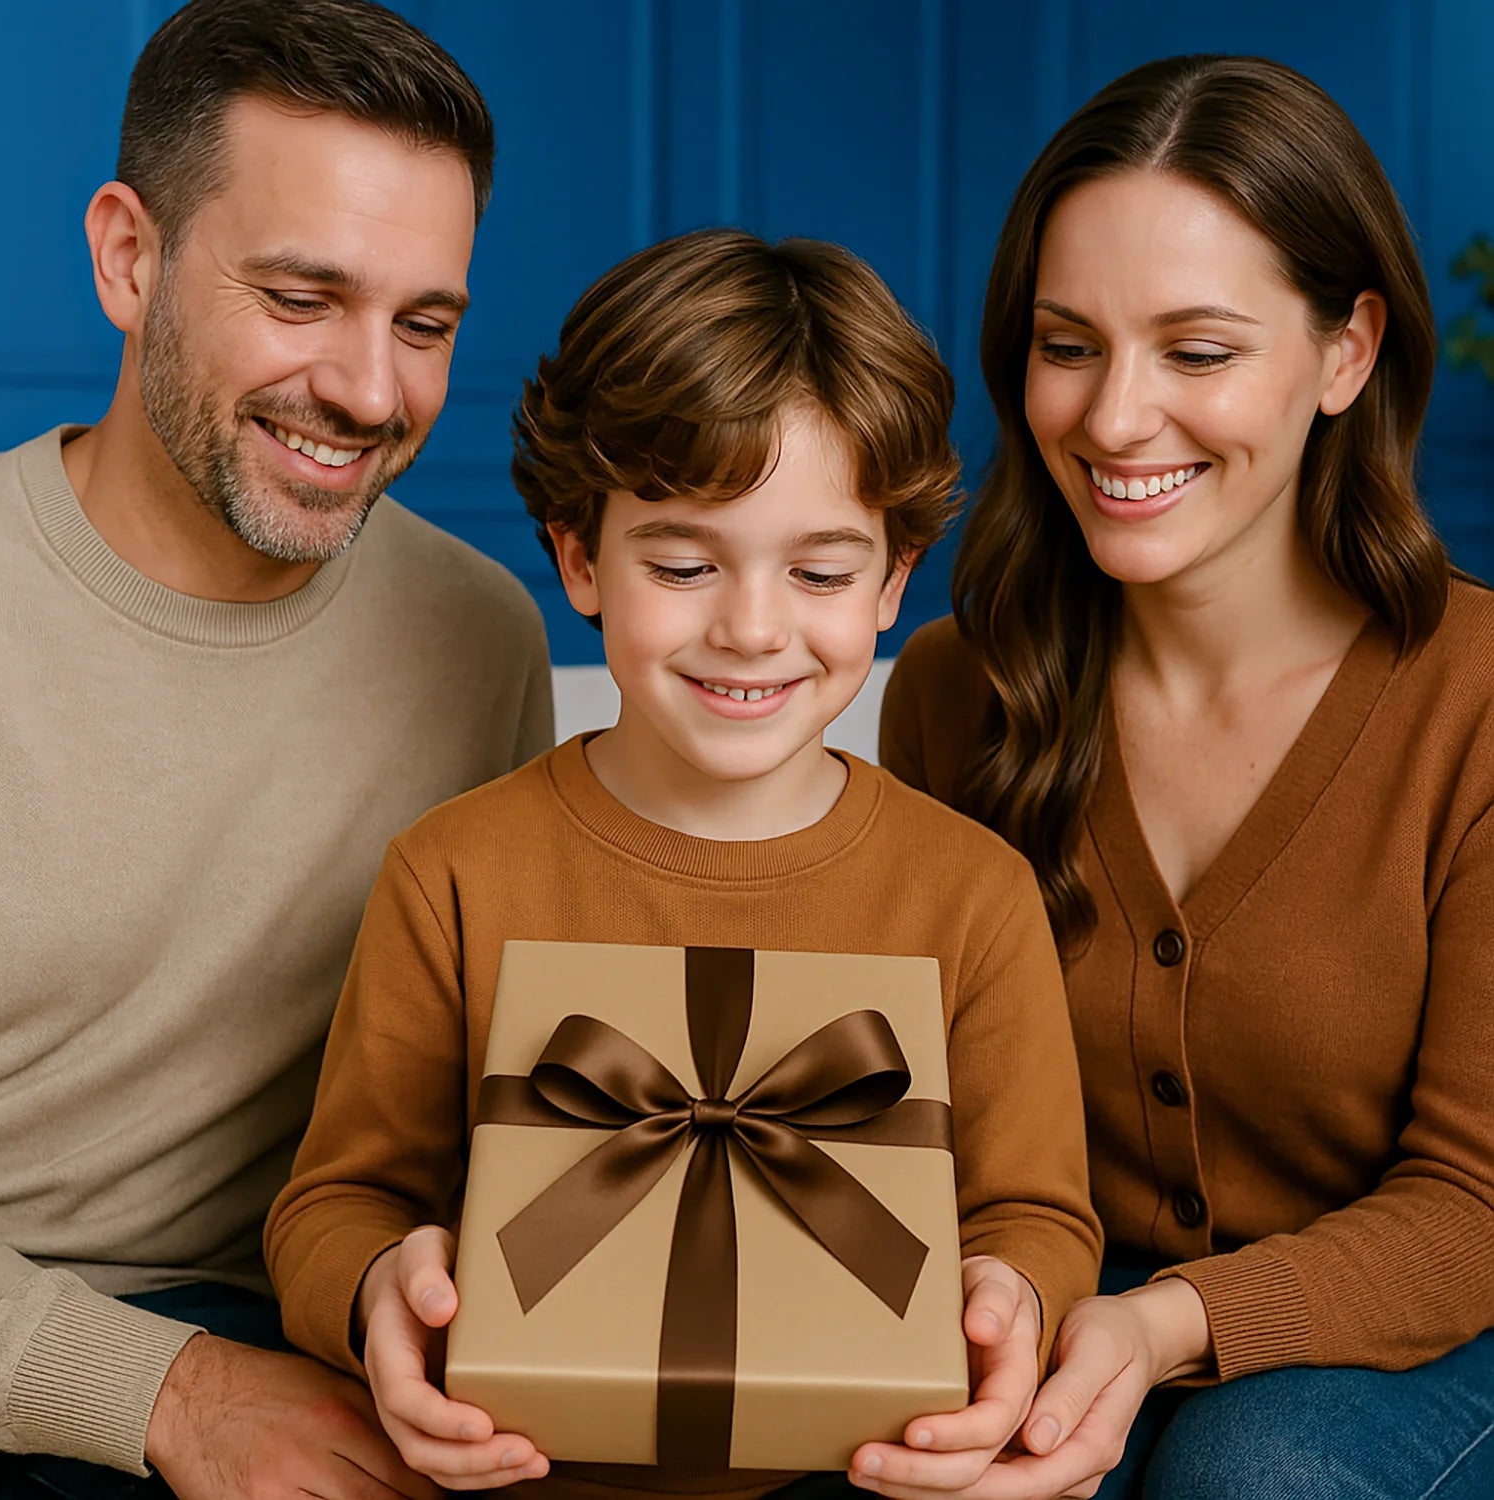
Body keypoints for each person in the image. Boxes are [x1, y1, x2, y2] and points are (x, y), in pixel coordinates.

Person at [263, 227, 1104, 1500]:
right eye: (682, 562)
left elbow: (1037, 1214)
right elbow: (335, 1204)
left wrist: (1008, 1300)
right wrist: (385, 1287)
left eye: (820, 570)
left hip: (862, 1483)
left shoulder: (971, 896)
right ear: (579, 557)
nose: (752, 627)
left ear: (893, 583)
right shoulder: (452, 872)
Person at [873, 52, 1494, 1500]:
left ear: (1346, 354)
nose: (1114, 418)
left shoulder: (1474, 702)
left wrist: (1168, 1324)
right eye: (1068, 344)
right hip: (1058, 1297)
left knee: (1254, 1473)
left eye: (1198, 352)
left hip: (1432, 1328)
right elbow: (919, 1131)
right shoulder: (955, 692)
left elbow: (1475, 1211)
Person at [0, 0, 552, 1496]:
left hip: (322, 1337)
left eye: (425, 323)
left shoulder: (476, 633)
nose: (371, 393)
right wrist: (163, 1390)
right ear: (130, 257)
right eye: (301, 298)